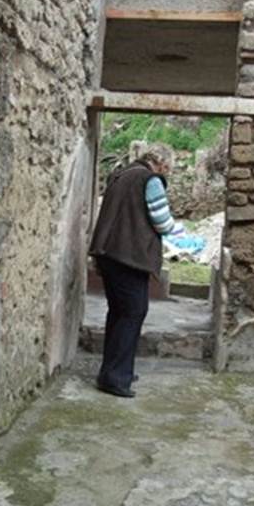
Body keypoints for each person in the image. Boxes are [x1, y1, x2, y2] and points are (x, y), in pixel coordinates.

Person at [89, 144, 176, 397]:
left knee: (118, 312)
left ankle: (115, 370)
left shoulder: (121, 174)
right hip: (128, 256)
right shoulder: (150, 180)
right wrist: (174, 226)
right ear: (161, 163)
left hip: (108, 253)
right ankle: (115, 378)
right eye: (168, 168)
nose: (168, 173)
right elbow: (162, 222)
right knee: (133, 312)